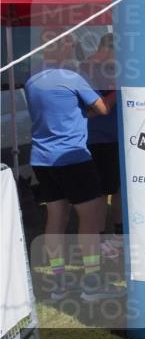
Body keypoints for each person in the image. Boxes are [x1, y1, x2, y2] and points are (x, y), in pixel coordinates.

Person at [25, 32, 121, 301]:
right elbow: (102, 109)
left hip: (42, 160)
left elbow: (69, 112)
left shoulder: (32, 80)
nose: (72, 49)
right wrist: (116, 90)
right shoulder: (72, 78)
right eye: (68, 45)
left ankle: (59, 284)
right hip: (73, 159)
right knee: (90, 222)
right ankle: (92, 283)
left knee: (56, 219)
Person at [82, 34, 124, 252]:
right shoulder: (89, 69)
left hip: (118, 137)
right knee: (100, 192)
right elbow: (94, 110)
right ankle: (99, 238)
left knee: (118, 188)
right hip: (98, 138)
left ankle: (118, 233)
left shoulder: (116, 68)